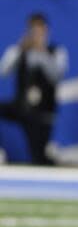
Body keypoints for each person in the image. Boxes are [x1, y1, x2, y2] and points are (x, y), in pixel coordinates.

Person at [0, 13, 68, 164]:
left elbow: (56, 77)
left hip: (43, 112)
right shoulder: (20, 49)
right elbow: (4, 71)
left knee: (38, 157)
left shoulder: (57, 51)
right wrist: (19, 49)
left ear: (46, 30)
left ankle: (49, 158)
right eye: (33, 30)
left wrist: (42, 52)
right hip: (21, 106)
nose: (36, 34)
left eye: (39, 30)